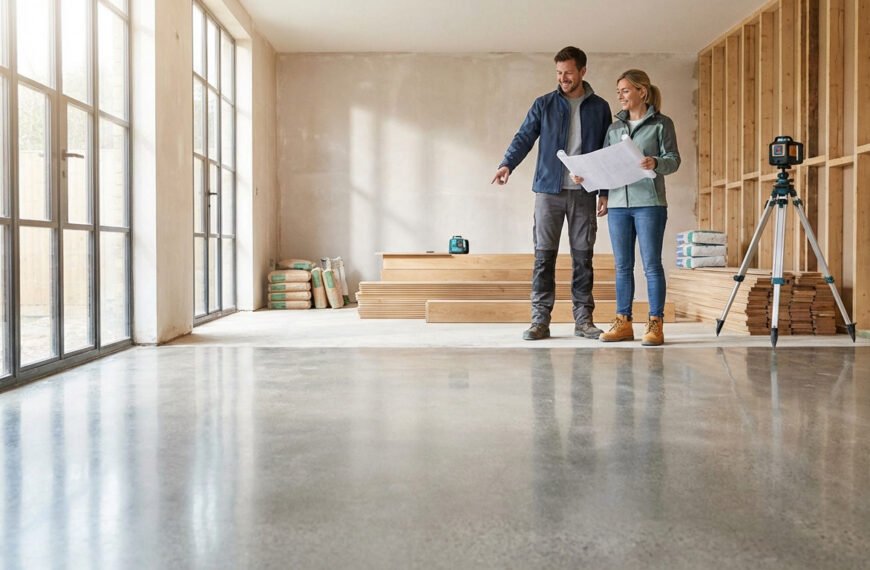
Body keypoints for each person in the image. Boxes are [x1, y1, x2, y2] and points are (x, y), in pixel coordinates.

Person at [492, 47, 612, 341]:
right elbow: (524, 136)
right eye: (559, 73)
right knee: (544, 258)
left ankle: (584, 321)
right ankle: (539, 321)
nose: (563, 78)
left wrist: (604, 192)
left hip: (585, 193)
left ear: (583, 71)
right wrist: (507, 163)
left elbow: (607, 153)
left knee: (583, 258)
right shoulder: (543, 104)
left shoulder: (599, 107)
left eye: (568, 72)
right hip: (548, 192)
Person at [584, 69, 680, 346]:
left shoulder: (662, 124)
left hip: (649, 203)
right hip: (617, 205)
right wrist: (595, 185)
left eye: (625, 90)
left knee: (651, 265)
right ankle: (623, 322)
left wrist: (656, 162)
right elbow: (605, 163)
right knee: (622, 266)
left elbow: (674, 160)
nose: (621, 96)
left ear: (642, 91)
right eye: (619, 92)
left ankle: (655, 323)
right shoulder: (614, 129)